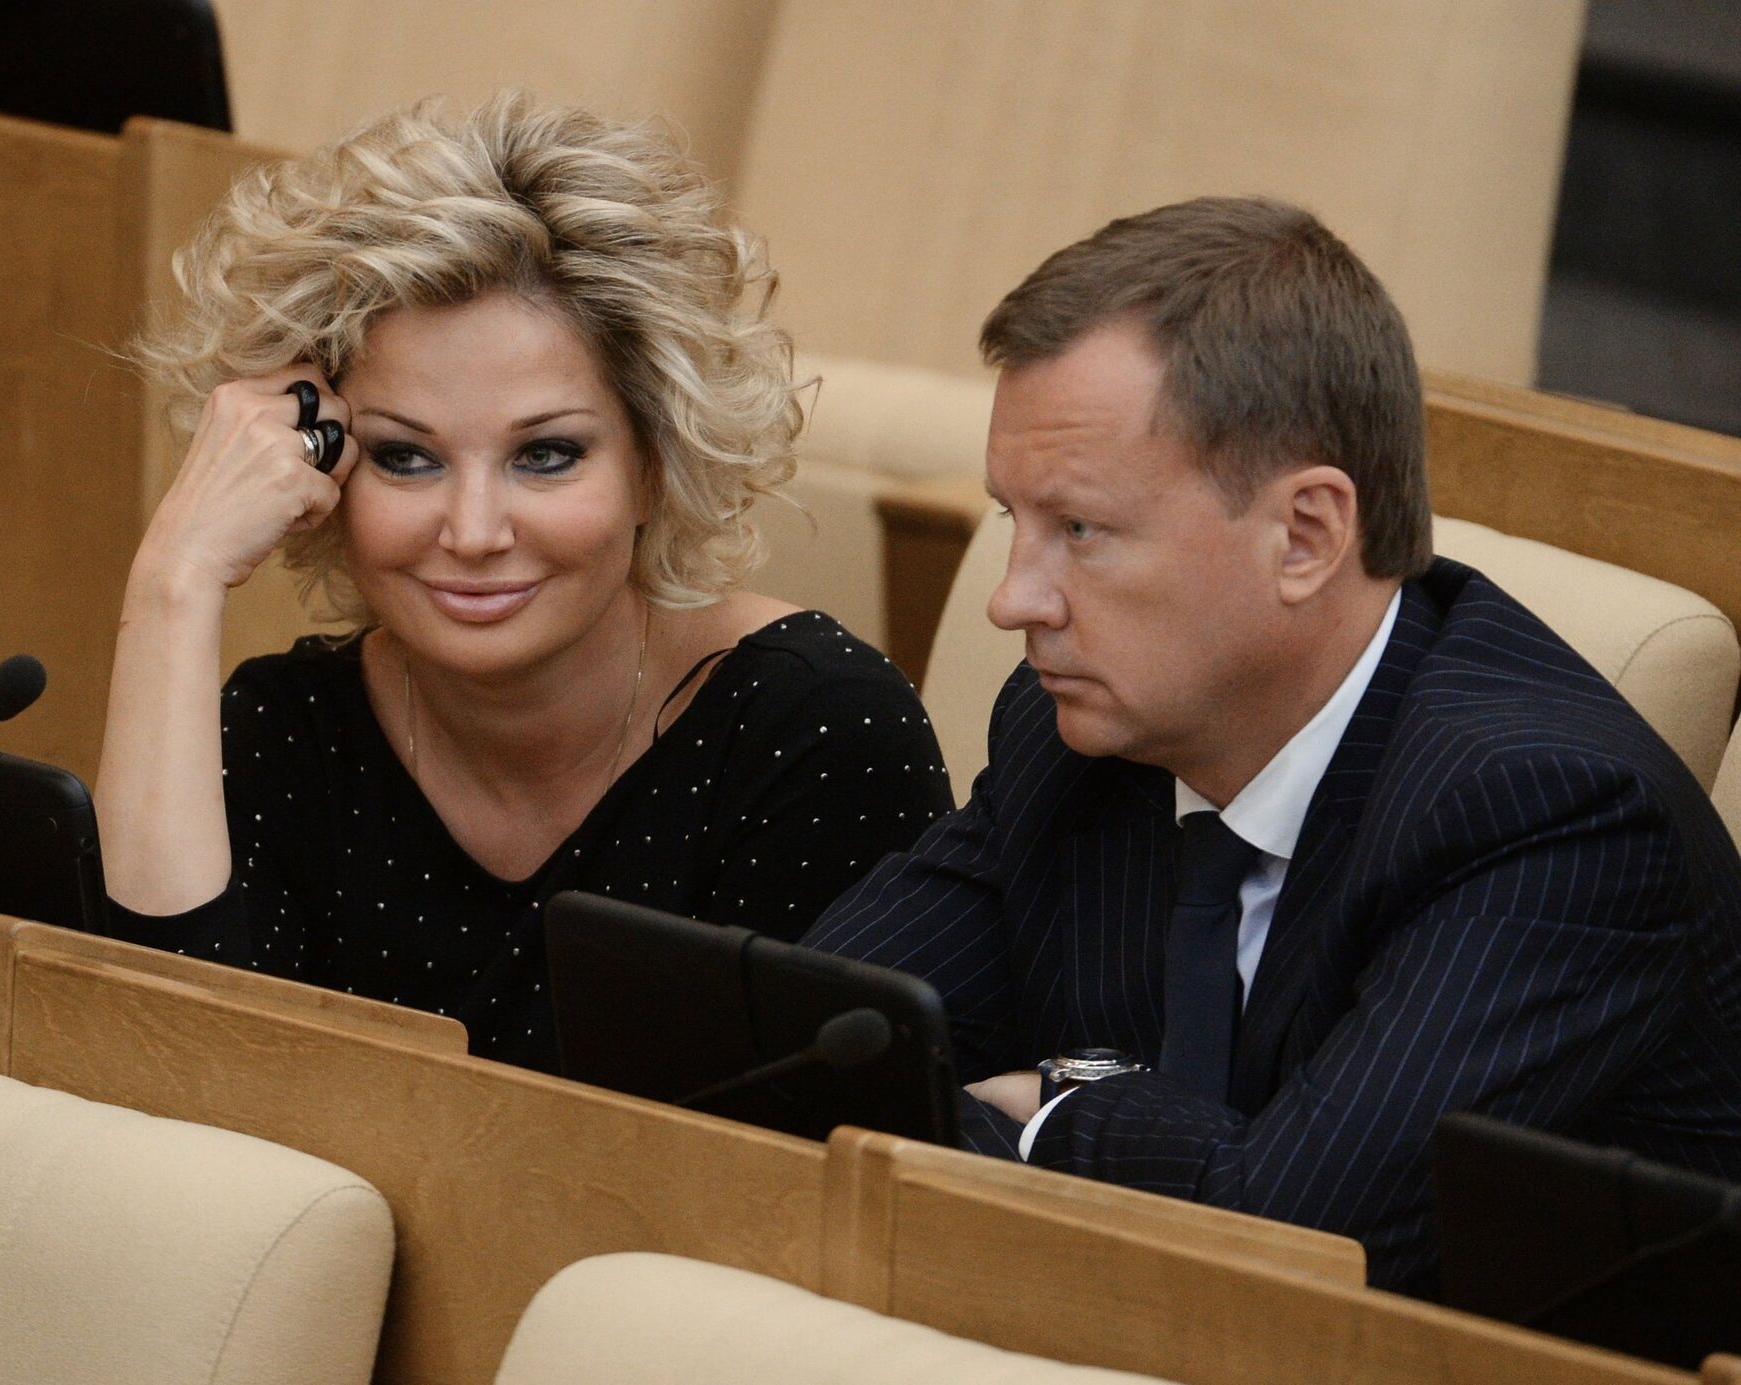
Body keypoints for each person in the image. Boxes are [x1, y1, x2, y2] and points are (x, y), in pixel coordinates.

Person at [805, 196, 1741, 1293]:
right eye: (1014, 518)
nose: (1013, 600)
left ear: (1305, 535)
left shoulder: (1553, 815)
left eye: (1081, 529)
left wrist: (1059, 1108)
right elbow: (800, 1054)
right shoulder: (1078, 734)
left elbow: (1286, 1249)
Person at [97, 94, 952, 1068]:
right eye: (406, 458)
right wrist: (175, 578)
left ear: (656, 462)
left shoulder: (818, 735)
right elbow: (154, 1063)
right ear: (325, 471)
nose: (473, 532)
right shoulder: (290, 732)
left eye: (545, 455)